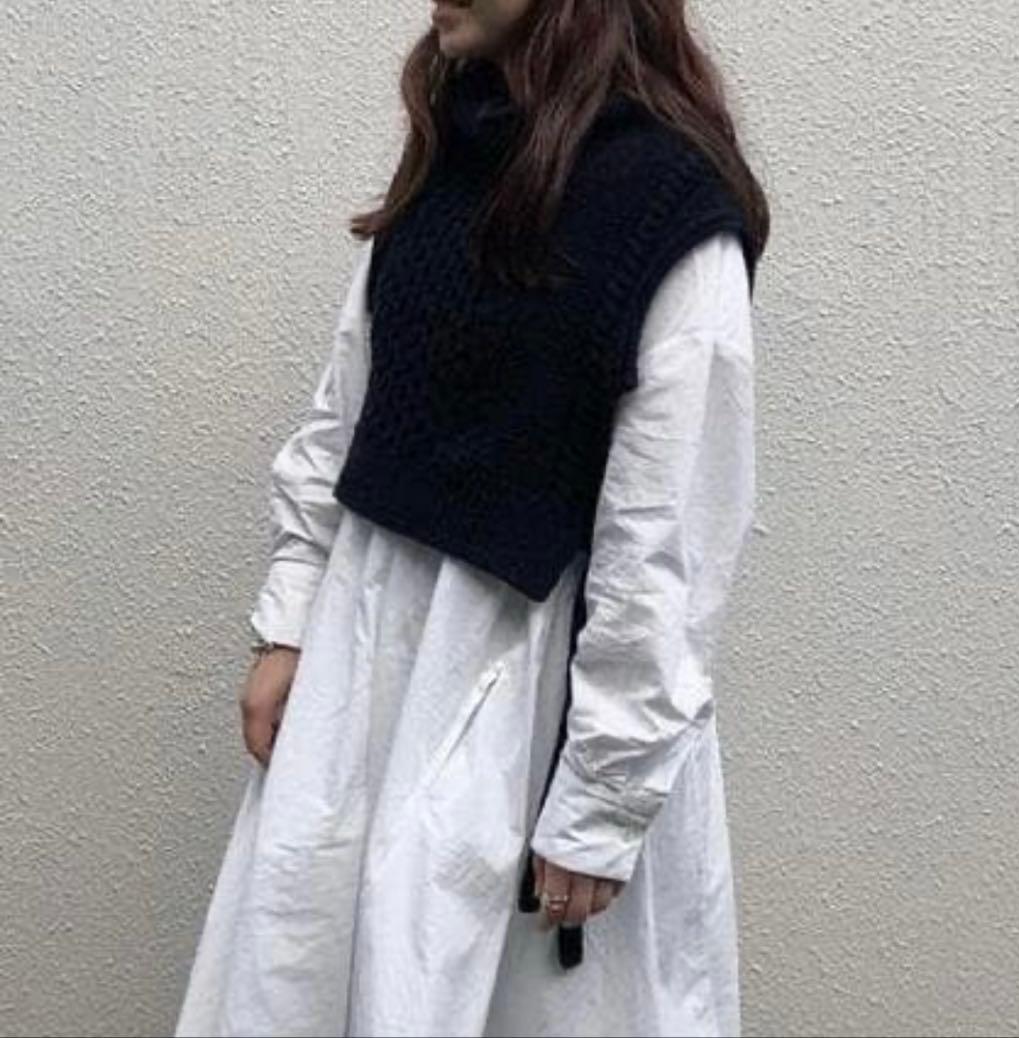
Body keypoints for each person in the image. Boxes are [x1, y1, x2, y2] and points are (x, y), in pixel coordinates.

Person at [175, 1, 769, 1035]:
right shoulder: (456, 150)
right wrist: (291, 618)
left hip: (526, 702)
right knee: (318, 977)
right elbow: (349, 401)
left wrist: (602, 800)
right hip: (367, 664)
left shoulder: (669, 209)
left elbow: (667, 537)